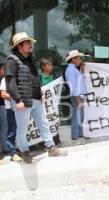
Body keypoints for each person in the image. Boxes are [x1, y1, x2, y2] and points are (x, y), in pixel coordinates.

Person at [5, 32, 67, 163]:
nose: (30, 45)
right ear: (19, 46)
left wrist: (39, 93)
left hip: (35, 100)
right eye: (27, 43)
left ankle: (51, 148)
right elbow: (10, 82)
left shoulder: (29, 60)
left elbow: (34, 79)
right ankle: (25, 153)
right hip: (22, 101)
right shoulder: (11, 61)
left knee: (44, 124)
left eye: (30, 43)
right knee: (22, 129)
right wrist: (18, 100)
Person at [0, 64, 22, 162]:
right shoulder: (5, 80)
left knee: (20, 130)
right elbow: (3, 94)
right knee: (11, 132)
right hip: (10, 109)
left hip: (20, 109)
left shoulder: (19, 79)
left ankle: (20, 149)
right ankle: (13, 153)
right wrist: (15, 98)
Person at [65, 50, 87, 145]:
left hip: (79, 96)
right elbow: (73, 86)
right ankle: (75, 137)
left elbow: (79, 82)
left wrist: (82, 71)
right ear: (72, 59)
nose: (79, 59)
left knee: (80, 117)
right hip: (76, 97)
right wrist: (78, 98)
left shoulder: (74, 69)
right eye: (78, 58)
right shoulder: (70, 70)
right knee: (76, 117)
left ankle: (80, 135)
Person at [39, 58, 61, 145]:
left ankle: (56, 140)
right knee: (45, 123)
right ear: (43, 67)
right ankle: (45, 142)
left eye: (51, 65)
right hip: (44, 105)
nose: (51, 67)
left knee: (54, 120)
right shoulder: (39, 77)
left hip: (53, 104)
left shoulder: (54, 76)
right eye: (49, 65)